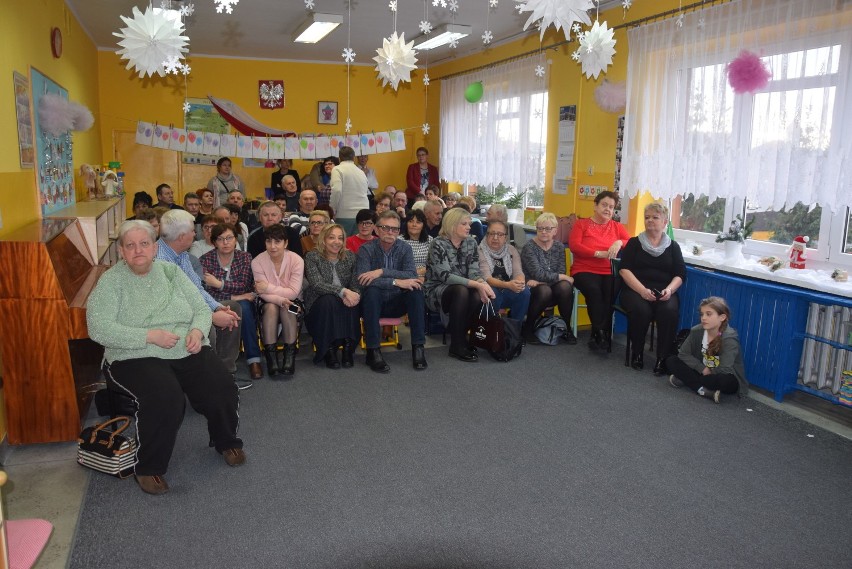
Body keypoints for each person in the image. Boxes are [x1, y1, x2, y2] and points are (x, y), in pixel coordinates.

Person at [87, 220, 245, 495]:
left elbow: (199, 306)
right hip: (133, 355)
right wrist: (149, 336)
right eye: (130, 245)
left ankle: (226, 440)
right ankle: (148, 467)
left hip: (184, 347)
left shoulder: (171, 272)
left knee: (221, 385)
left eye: (144, 244)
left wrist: (197, 330)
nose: (138, 250)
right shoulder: (111, 281)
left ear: (154, 247)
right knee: (165, 397)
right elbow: (99, 328)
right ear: (122, 251)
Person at [155, 210, 246, 389]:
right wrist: (210, 317)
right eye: (191, 231)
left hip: (192, 306)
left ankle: (224, 373)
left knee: (232, 308)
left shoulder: (181, 254)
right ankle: (206, 380)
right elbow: (174, 304)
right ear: (181, 236)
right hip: (170, 316)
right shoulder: (159, 260)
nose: (194, 234)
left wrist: (218, 308)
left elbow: (196, 288)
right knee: (207, 328)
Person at [618, 203, 686, 374]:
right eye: (647, 217)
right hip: (635, 290)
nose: (650, 220)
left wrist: (669, 291)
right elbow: (624, 270)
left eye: (655, 217)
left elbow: (680, 274)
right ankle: (637, 353)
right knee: (641, 310)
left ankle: (663, 358)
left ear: (664, 222)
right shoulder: (634, 243)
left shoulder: (673, 247)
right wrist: (641, 290)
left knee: (669, 311)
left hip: (664, 292)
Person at [356, 211, 427, 373]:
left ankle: (418, 347)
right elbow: (363, 280)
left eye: (395, 229)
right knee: (372, 291)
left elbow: (411, 275)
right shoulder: (365, 250)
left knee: (415, 290)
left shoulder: (405, 248)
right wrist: (395, 281)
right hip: (373, 304)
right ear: (376, 229)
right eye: (386, 228)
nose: (390, 232)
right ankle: (373, 351)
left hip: (396, 302)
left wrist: (381, 271)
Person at [424, 208, 496, 362]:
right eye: (464, 224)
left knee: (478, 295)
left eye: (469, 224)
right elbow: (445, 276)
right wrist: (476, 285)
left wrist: (482, 284)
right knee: (461, 291)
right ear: (452, 224)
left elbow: (474, 272)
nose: (469, 227)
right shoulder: (438, 244)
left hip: (464, 288)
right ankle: (457, 345)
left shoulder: (471, 242)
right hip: (436, 290)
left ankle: (461, 337)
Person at [569, 190, 630, 352]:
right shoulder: (581, 224)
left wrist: (618, 242)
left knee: (609, 296)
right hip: (584, 269)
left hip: (609, 270)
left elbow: (630, 241)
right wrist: (597, 253)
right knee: (595, 292)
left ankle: (598, 334)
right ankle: (601, 333)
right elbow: (574, 246)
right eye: (604, 205)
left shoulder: (617, 227)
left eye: (611, 207)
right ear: (595, 205)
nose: (608, 209)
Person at [200, 224, 262, 380]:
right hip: (215, 303)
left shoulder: (245, 257)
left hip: (239, 301)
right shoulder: (205, 259)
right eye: (220, 239)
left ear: (236, 240)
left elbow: (244, 285)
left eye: (229, 238)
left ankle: (253, 359)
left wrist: (218, 284)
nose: (225, 242)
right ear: (214, 242)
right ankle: (220, 363)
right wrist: (235, 297)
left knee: (245, 308)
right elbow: (206, 291)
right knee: (240, 304)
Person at [666, 296, 749, 403]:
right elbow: (683, 354)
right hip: (702, 371)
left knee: (724, 381)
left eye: (708, 314)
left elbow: (724, 368)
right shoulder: (697, 331)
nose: (703, 318)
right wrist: (702, 369)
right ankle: (702, 390)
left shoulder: (729, 338)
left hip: (722, 375)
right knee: (671, 360)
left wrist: (705, 372)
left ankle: (687, 379)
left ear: (722, 317)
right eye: (702, 314)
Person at [303, 224, 362, 369]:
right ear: (323, 240)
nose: (337, 242)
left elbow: (356, 283)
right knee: (330, 300)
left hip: (343, 302)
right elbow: (317, 284)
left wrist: (355, 295)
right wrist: (343, 291)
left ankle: (348, 348)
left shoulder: (350, 257)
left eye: (340, 238)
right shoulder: (312, 256)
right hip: (319, 304)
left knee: (352, 300)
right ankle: (329, 349)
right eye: (331, 237)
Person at [252, 224, 304, 378]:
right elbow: (262, 294)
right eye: (269, 242)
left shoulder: (296, 260)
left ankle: (289, 356)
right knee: (271, 307)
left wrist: (268, 286)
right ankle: (271, 358)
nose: (272, 246)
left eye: (277, 242)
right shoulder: (257, 261)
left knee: (289, 308)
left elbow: (294, 293)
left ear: (286, 243)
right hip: (265, 303)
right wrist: (281, 299)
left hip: (296, 305)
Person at [521, 212, 577, 345]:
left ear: (555, 231)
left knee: (565, 287)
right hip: (532, 288)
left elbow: (560, 270)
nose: (543, 232)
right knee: (545, 290)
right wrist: (560, 277)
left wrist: (549, 279)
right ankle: (527, 328)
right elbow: (537, 273)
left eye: (547, 229)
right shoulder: (529, 247)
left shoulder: (558, 246)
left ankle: (566, 327)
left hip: (547, 284)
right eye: (540, 228)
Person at [479, 220, 531, 323]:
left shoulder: (511, 250)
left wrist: (519, 283)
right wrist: (508, 285)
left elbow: (518, 272)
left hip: (507, 288)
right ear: (487, 235)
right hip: (490, 289)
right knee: (492, 293)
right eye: (492, 234)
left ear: (505, 238)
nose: (495, 238)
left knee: (524, 292)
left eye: (500, 234)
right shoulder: (480, 250)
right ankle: (491, 331)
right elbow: (487, 278)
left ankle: (513, 329)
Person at [330, 146, 370, 236]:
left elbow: (336, 190)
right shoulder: (361, 172)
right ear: (353, 157)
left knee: (343, 245)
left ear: (339, 157)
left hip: (344, 214)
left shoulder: (337, 169)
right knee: (358, 245)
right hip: (363, 214)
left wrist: (332, 210)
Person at [399, 209, 432, 279]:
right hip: (405, 278)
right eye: (411, 221)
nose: (414, 225)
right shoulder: (399, 241)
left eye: (418, 222)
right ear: (406, 224)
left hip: (427, 277)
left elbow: (434, 264)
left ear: (423, 225)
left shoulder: (430, 240)